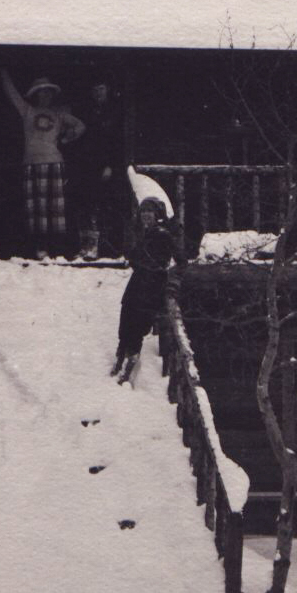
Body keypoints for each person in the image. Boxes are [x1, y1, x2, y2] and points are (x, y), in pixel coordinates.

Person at [0, 68, 85, 259]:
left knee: (56, 208)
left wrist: (67, 138)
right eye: (41, 92)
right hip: (31, 164)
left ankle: (57, 249)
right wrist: (3, 72)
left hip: (55, 163)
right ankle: (41, 247)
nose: (44, 95)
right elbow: (11, 93)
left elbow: (80, 126)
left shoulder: (60, 114)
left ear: (52, 95)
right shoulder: (27, 110)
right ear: (36, 95)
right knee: (36, 208)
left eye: (48, 92)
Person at [112, 196, 186, 384]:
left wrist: (172, 280)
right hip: (138, 280)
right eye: (143, 212)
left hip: (153, 283)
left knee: (139, 319)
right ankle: (122, 354)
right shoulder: (143, 233)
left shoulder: (162, 234)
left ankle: (131, 359)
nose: (145, 215)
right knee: (126, 311)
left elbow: (181, 261)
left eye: (149, 212)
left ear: (157, 215)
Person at [74, 75, 124, 258]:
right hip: (86, 165)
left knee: (100, 207)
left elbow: (116, 143)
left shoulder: (114, 112)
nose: (98, 93)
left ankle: (98, 247)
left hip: (105, 166)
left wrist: (110, 165)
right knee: (84, 205)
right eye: (95, 90)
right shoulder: (86, 111)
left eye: (101, 89)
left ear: (107, 90)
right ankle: (84, 246)